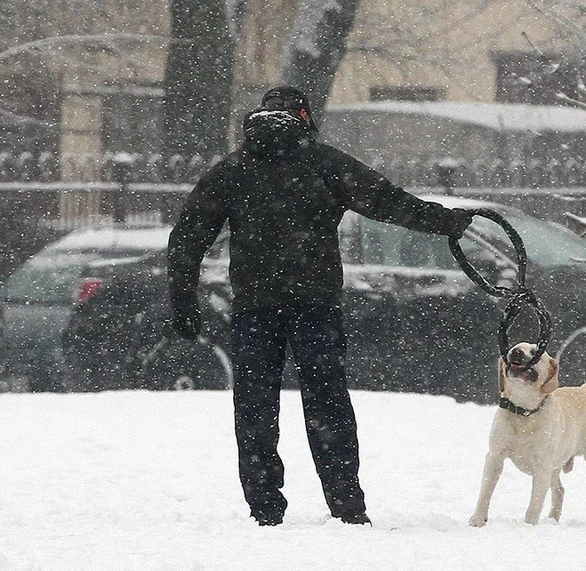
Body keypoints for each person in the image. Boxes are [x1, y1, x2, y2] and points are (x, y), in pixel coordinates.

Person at [168, 86, 472, 526]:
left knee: (254, 407)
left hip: (255, 306)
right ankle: (346, 505)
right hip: (315, 304)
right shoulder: (324, 163)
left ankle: (264, 508)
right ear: (304, 117)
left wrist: (182, 299)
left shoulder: (233, 170)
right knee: (328, 403)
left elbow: (188, 236)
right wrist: (445, 220)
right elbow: (387, 201)